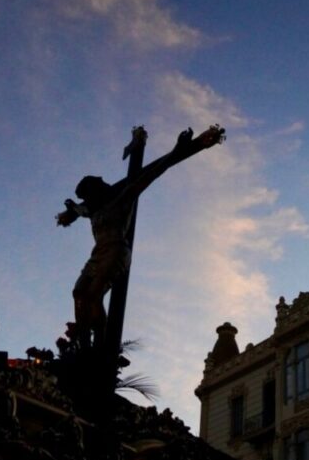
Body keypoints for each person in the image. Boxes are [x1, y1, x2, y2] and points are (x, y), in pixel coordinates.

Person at [57, 125, 224, 348]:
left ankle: (101, 346)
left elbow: (152, 173)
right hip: (98, 254)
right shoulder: (93, 211)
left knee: (95, 293)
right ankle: (83, 341)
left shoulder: (122, 199)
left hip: (116, 250)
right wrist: (70, 211)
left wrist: (178, 149)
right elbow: (79, 210)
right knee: (79, 292)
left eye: (91, 191)